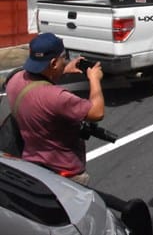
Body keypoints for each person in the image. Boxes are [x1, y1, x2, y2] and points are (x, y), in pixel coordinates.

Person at [5, 33, 105, 185]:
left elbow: (37, 83)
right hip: (65, 173)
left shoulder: (14, 80)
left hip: (33, 167)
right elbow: (97, 112)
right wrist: (94, 79)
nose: (65, 61)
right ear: (53, 63)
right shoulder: (56, 97)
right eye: (64, 58)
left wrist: (62, 70)